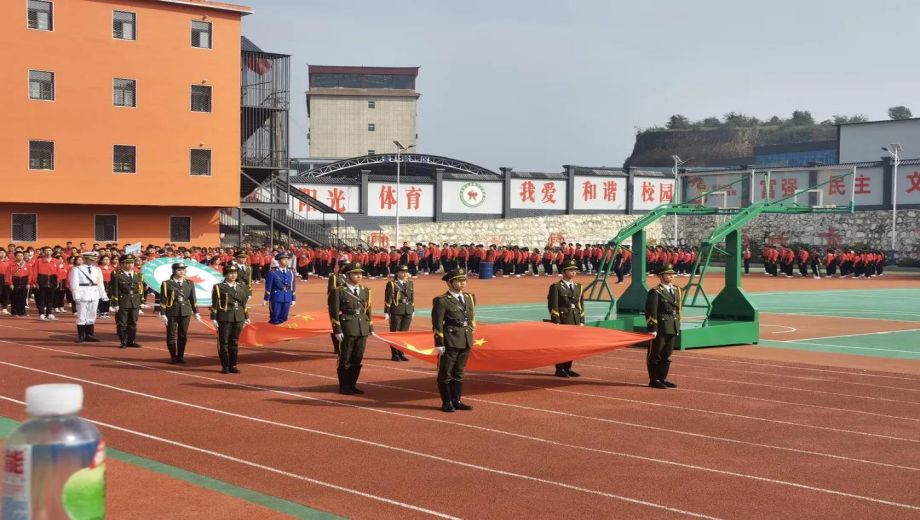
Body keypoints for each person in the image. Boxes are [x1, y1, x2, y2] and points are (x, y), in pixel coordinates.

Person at [431, 268, 476, 413]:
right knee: (445, 373)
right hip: (450, 340)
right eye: (459, 281)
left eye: (464, 280)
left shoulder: (469, 298)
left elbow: (471, 318)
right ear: (449, 283)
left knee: (459, 372)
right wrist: (439, 343)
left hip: (465, 338)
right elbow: (437, 323)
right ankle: (447, 401)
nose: (463, 283)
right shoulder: (442, 301)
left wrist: (471, 336)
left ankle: (457, 400)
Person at [328, 262, 373, 395]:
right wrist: (337, 329)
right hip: (347, 325)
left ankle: (353, 384)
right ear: (348, 275)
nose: (359, 276)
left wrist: (370, 326)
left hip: (362, 326)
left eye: (360, 274)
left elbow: (368, 309)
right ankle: (344, 385)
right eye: (355, 273)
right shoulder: (338, 291)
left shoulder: (365, 290)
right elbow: (334, 312)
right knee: (346, 357)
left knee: (358, 357)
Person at [644, 263, 681, 389]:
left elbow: (678, 309)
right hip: (660, 327)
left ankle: (662, 378)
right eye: (668, 274)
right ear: (660, 276)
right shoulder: (655, 292)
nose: (671, 276)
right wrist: (652, 328)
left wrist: (677, 325)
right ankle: (654, 380)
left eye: (672, 274)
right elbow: (651, 311)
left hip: (672, 325)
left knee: (667, 355)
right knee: (656, 354)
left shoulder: (677, 290)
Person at [210, 265, 251, 374]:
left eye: (235, 273)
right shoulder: (219, 287)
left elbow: (244, 303)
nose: (233, 275)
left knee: (234, 341)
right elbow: (214, 304)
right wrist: (213, 318)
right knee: (223, 342)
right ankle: (225, 365)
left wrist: (246, 316)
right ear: (225, 274)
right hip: (225, 316)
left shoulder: (241, 286)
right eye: (230, 273)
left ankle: (233, 364)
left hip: (238, 317)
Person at [547, 259, 584, 377]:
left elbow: (580, 304)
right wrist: (556, 321)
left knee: (573, 346)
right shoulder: (556, 287)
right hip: (563, 319)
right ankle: (559, 369)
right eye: (570, 270)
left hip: (575, 319)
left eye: (575, 270)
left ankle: (568, 368)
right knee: (562, 346)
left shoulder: (579, 286)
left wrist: (581, 320)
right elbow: (553, 305)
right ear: (564, 271)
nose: (573, 272)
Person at [159, 262, 199, 364]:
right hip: (171, 311)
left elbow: (193, 299)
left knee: (183, 335)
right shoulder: (166, 283)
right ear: (174, 271)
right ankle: (173, 356)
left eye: (183, 270)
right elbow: (163, 299)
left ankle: (180, 356)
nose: (182, 271)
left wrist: (196, 312)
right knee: (171, 335)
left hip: (185, 311)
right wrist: (162, 313)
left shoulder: (189, 283)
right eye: (179, 270)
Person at [69, 251, 108, 343]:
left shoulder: (97, 269)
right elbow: (74, 283)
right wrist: (76, 295)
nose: (93, 261)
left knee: (92, 314)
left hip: (94, 293)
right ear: (85, 259)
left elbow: (100, 283)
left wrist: (103, 295)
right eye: (91, 259)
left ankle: (90, 335)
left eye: (94, 259)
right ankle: (81, 336)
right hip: (83, 292)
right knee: (82, 315)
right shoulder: (77, 269)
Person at [109, 255, 144, 348]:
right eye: (127, 263)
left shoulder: (138, 275)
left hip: (135, 301)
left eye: (131, 263)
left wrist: (142, 301)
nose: (130, 265)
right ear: (122, 264)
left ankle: (131, 340)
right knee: (122, 323)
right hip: (123, 300)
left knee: (133, 322)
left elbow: (140, 289)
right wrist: (115, 303)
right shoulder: (116, 274)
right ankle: (123, 341)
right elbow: (114, 289)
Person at [383, 265, 414, 362]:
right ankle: (395, 354)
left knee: (404, 334)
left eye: (406, 271)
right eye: (402, 272)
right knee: (395, 333)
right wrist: (387, 312)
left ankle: (401, 353)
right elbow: (388, 298)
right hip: (396, 309)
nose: (404, 273)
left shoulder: (410, 283)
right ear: (397, 273)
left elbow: (412, 297)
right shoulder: (392, 284)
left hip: (407, 310)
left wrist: (412, 309)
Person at [263, 252, 296, 324]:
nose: (286, 261)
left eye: (287, 259)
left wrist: (293, 298)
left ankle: (282, 333)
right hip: (276, 297)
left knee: (284, 317)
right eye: (284, 259)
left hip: (287, 297)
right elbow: (268, 286)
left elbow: (293, 286)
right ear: (278, 261)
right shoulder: (272, 272)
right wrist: (266, 298)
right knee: (275, 317)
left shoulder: (291, 272)